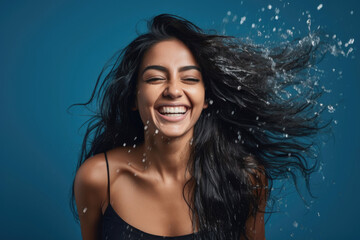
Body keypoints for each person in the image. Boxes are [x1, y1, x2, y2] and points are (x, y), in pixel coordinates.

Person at [70, 14, 328, 240]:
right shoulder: (97, 179)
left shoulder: (245, 178)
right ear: (133, 98)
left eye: (190, 78)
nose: (173, 90)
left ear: (206, 98)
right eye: (156, 78)